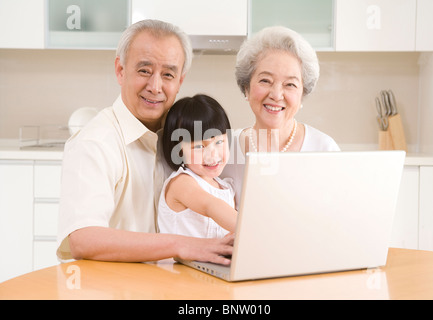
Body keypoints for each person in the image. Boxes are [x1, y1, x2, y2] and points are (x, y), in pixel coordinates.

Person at [56, 20, 233, 265]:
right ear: (120, 70)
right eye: (144, 71)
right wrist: (180, 245)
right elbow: (82, 239)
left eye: (168, 75)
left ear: (180, 81)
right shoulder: (95, 142)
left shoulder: (183, 140)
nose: (155, 86)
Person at [222, 26, 340, 203]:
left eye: (290, 84)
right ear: (246, 87)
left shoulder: (324, 149)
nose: (276, 95)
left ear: (302, 94)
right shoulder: (223, 151)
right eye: (265, 81)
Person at [158, 95, 237, 238]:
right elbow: (210, 206)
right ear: (178, 150)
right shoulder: (182, 182)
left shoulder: (226, 187)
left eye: (219, 142)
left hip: (211, 259)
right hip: (179, 260)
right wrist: (250, 229)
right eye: (199, 146)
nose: (212, 154)